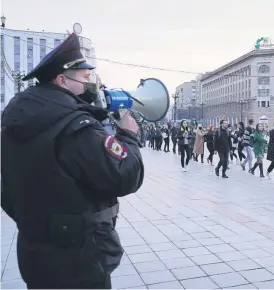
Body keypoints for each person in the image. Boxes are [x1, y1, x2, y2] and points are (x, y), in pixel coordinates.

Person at [0, 33, 144, 289]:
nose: (92, 84)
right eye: (86, 78)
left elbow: (8, 194)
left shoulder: (13, 124)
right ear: (62, 80)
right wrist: (129, 135)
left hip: (36, 255)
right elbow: (126, 175)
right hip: (80, 260)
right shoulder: (75, 126)